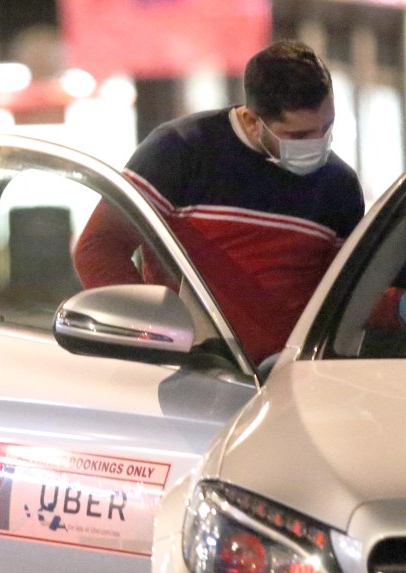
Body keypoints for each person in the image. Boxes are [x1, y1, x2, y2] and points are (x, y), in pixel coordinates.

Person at [73, 40, 365, 364]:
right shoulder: (180, 151)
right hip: (191, 379)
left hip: (290, 381)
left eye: (326, 128)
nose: (317, 144)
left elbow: (346, 294)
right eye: (298, 136)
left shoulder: (339, 186)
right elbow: (98, 248)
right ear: (254, 122)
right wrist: (151, 338)